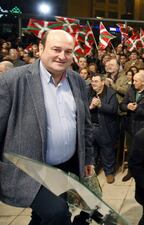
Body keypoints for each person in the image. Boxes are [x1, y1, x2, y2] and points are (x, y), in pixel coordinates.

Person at [0, 30, 94, 225]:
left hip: (66, 166)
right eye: (56, 49)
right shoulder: (12, 81)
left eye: (68, 51)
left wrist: (88, 159)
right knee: (58, 214)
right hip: (29, 170)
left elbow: (85, 126)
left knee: (43, 216)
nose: (62, 56)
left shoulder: (77, 81)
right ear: (41, 49)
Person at [88, 73, 119, 184]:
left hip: (105, 128)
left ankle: (109, 172)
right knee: (92, 151)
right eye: (92, 81)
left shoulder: (110, 94)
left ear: (102, 82)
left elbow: (114, 109)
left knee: (107, 151)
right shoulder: (88, 92)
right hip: (91, 127)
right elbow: (82, 108)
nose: (93, 84)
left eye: (96, 81)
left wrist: (101, 105)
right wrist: (91, 106)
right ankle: (92, 172)